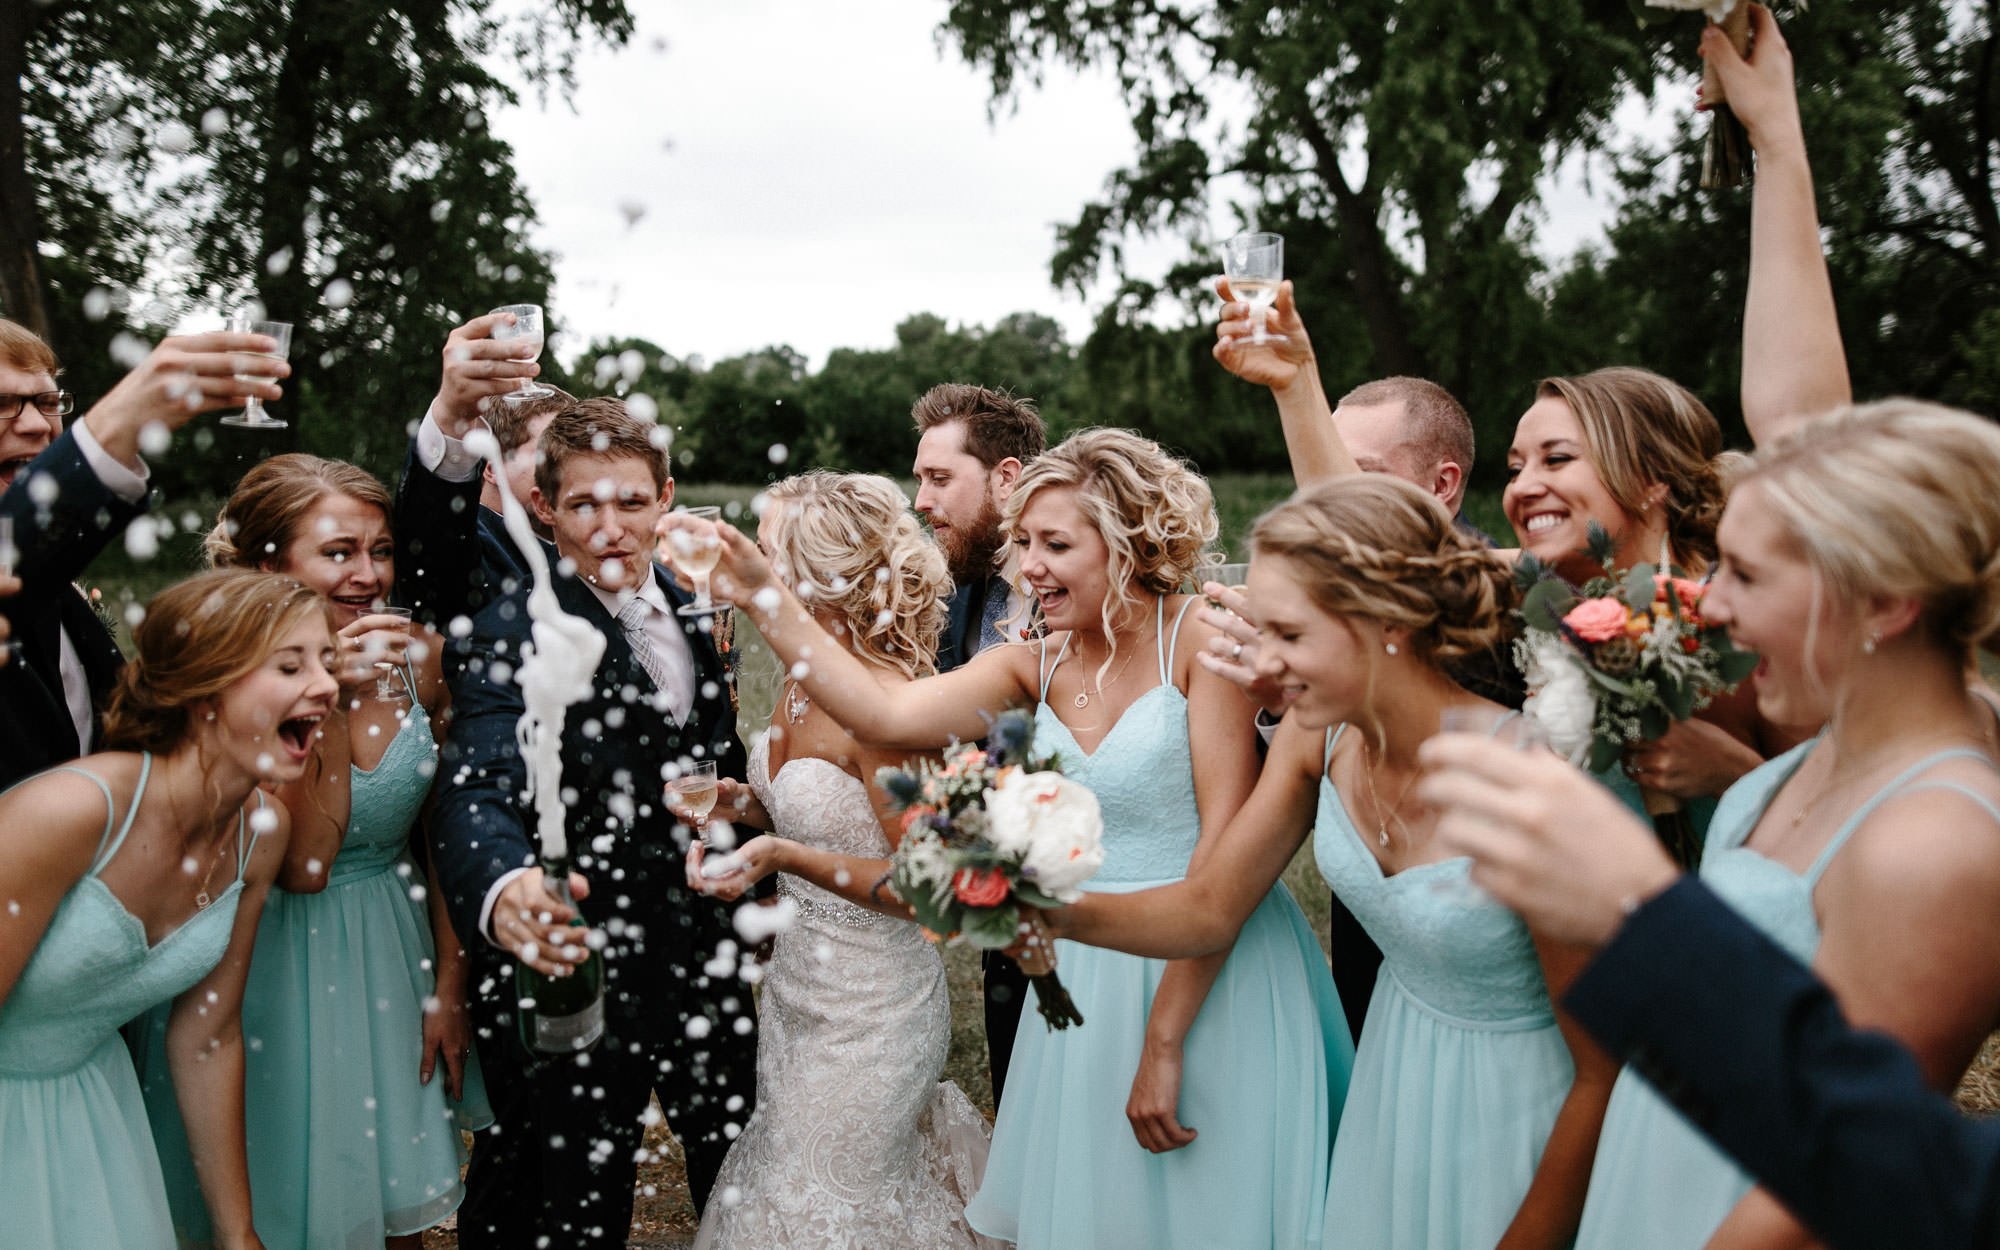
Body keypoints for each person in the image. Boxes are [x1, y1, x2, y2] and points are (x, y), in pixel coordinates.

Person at [682, 427, 1349, 1250]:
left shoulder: (1199, 645)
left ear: (1128, 541)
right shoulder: (1035, 664)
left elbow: (1220, 861)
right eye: (1023, 541)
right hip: (1082, 980)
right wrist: (762, 595)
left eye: (1055, 544)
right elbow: (884, 713)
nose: (1027, 566)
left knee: (1209, 1213)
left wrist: (1164, 1039)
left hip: (1210, 973)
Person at [1032, 473, 1615, 1249]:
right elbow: (1209, 907)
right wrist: (1039, 913)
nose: (1258, 667)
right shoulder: (1322, 734)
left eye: (1289, 635)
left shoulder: (1532, 791)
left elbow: (1604, 1070)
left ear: (1386, 621)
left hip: (1527, 1112)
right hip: (1394, 1083)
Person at [1417, 735, 2000, 1250]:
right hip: (1658, 1142)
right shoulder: (1801, 760)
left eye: (1755, 597)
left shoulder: (1941, 838)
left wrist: (1645, 914)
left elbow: (1890, 1163)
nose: (1713, 603)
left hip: (1747, 1192)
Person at [133, 454, 490, 1249]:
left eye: (381, 550)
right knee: (268, 1198)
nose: (368, 575)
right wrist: (331, 695)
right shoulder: (223, 675)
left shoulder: (421, 660)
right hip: (259, 959)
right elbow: (302, 866)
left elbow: (442, 835)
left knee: (391, 1211)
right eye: (338, 553)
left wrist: (450, 980)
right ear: (269, 562)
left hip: (386, 956)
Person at [430, 397, 756, 1250]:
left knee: (739, 1172)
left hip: (703, 953)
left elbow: (716, 756)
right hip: (575, 965)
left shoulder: (694, 605)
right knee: (566, 1201)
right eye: (583, 504)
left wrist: (746, 848)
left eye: (631, 502)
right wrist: (503, 889)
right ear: (544, 507)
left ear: (666, 498)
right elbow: (477, 784)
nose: (609, 526)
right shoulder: (513, 633)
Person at [683, 471, 998, 1250]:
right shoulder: (798, 682)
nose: (746, 568)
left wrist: (785, 853)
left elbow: (933, 896)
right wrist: (742, 805)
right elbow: (811, 810)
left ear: (817, 572)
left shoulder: (886, 704)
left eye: (764, 554)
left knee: (829, 1200)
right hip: (798, 994)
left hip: (876, 1010)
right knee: (785, 1186)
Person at [0, 568, 331, 1250]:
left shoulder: (259, 835)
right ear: (204, 690)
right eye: (291, 665)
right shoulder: (70, 813)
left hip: (95, 1115)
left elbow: (207, 1038)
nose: (326, 684)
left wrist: (238, 1232)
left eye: (326, 660)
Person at [1200, 356, 1492, 1041]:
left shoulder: (1507, 619)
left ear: (1442, 484)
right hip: (1374, 964)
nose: (1325, 503)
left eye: (1352, 476)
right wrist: (1281, 699)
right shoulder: (1324, 614)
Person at [0, 318, 288, 790]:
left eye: (48, 402)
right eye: (2, 406)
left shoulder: (61, 584)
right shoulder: (17, 562)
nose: (36, 424)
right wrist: (116, 424)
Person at [909, 379, 1046, 1102]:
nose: (923, 501)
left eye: (939, 479)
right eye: (919, 481)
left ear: (1007, 476)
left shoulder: (1094, 592)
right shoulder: (956, 593)